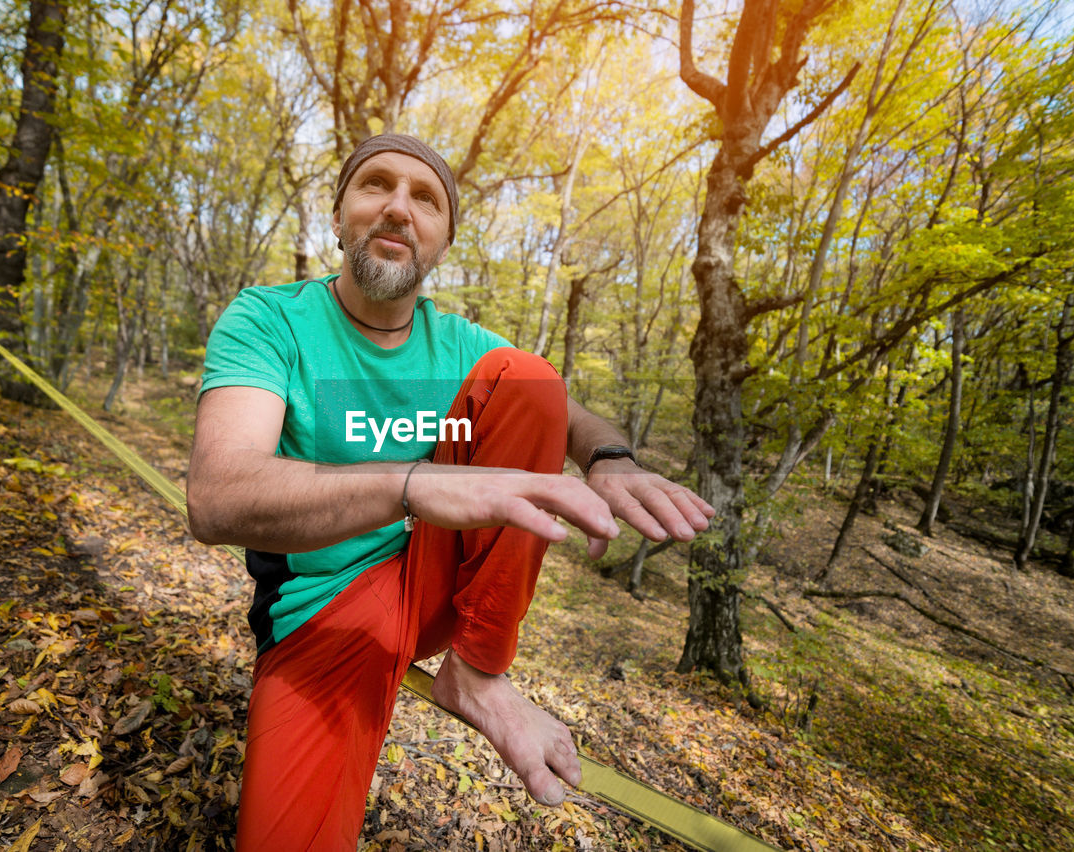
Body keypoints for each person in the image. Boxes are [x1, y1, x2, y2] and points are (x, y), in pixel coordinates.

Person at [186, 133, 713, 851]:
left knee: (530, 379)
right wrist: (414, 484)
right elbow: (217, 496)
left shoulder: (463, 346)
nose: (399, 208)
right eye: (375, 185)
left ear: (441, 240)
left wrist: (609, 456)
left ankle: (477, 671)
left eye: (425, 198)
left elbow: (566, 410)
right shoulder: (268, 320)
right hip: (322, 610)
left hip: (438, 583)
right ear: (340, 213)